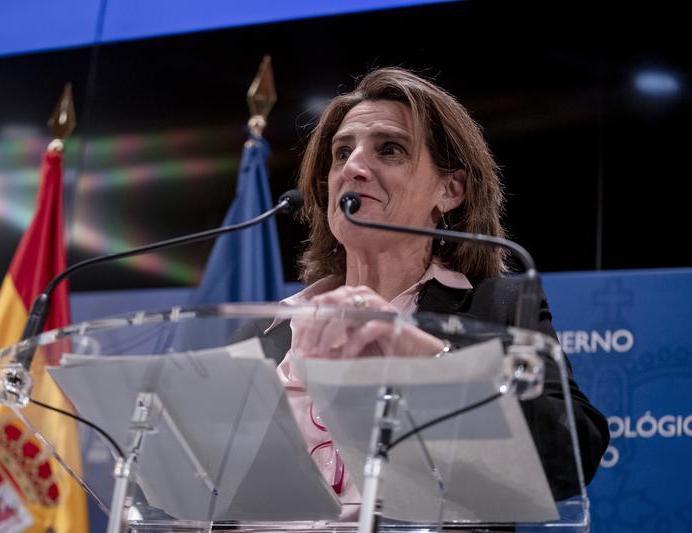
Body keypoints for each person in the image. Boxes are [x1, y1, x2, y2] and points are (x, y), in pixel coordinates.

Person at [237, 67, 609, 518]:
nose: (353, 168)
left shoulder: (497, 308)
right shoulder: (271, 328)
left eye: (389, 150)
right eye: (341, 153)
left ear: (450, 190)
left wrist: (422, 355)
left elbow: (572, 454)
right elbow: (212, 483)